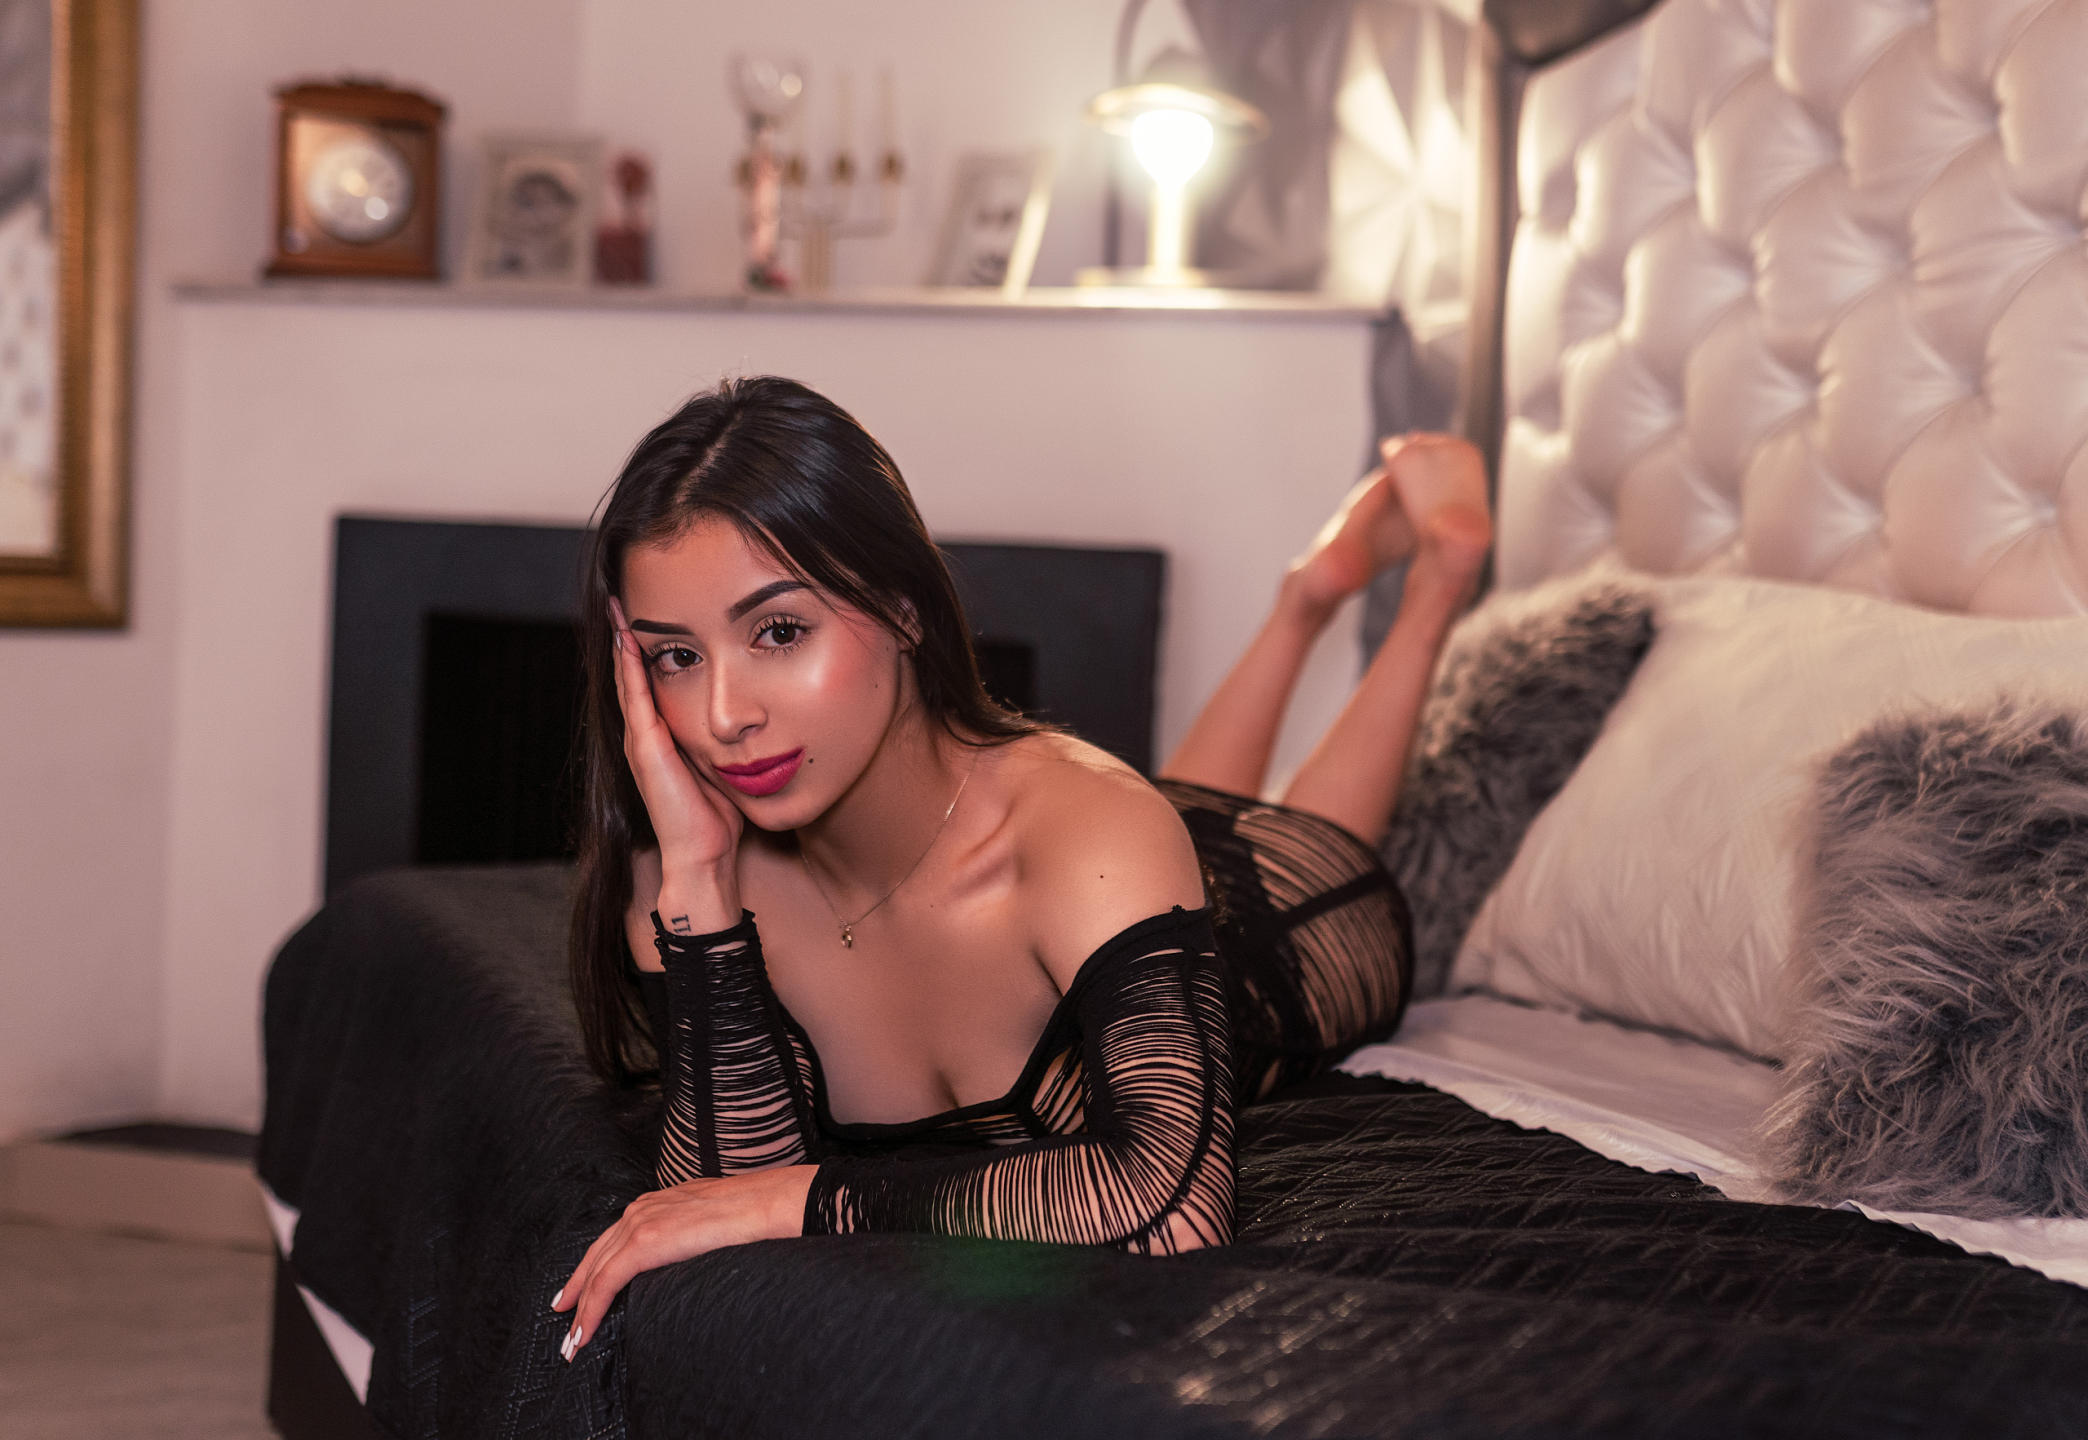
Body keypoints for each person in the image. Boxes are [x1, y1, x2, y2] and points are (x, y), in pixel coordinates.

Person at [552, 376, 1491, 1360]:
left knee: (1215, 843)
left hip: (1283, 929)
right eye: (676, 658)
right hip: (1109, 854)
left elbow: (1173, 1210)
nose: (723, 718)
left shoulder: (1089, 831)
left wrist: (806, 1198)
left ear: (903, 608)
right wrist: (701, 882)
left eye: (779, 632)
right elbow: (714, 1210)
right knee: (1148, 817)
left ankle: (1434, 580)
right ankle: (1305, 600)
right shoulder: (675, 883)